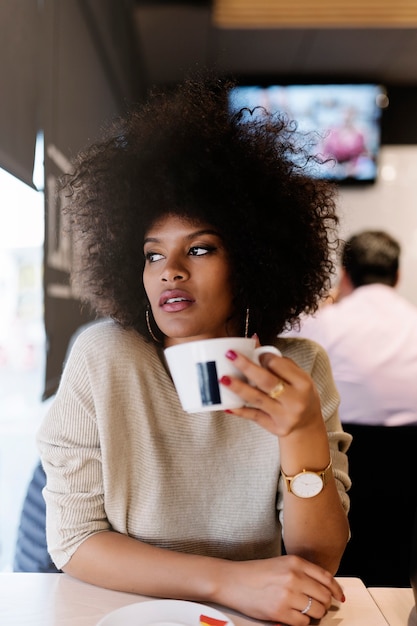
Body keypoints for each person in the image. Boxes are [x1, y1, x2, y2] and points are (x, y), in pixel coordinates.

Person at [37, 74, 351, 626]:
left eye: (200, 248)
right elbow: (74, 539)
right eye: (152, 255)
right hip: (122, 612)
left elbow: (317, 560)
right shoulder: (105, 357)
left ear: (253, 261)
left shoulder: (300, 367)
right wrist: (226, 580)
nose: (170, 272)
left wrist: (301, 434)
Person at [284, 229, 417, 426]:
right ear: (397, 277)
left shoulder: (322, 322)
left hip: (344, 448)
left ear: (344, 276)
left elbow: (279, 340)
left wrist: (323, 305)